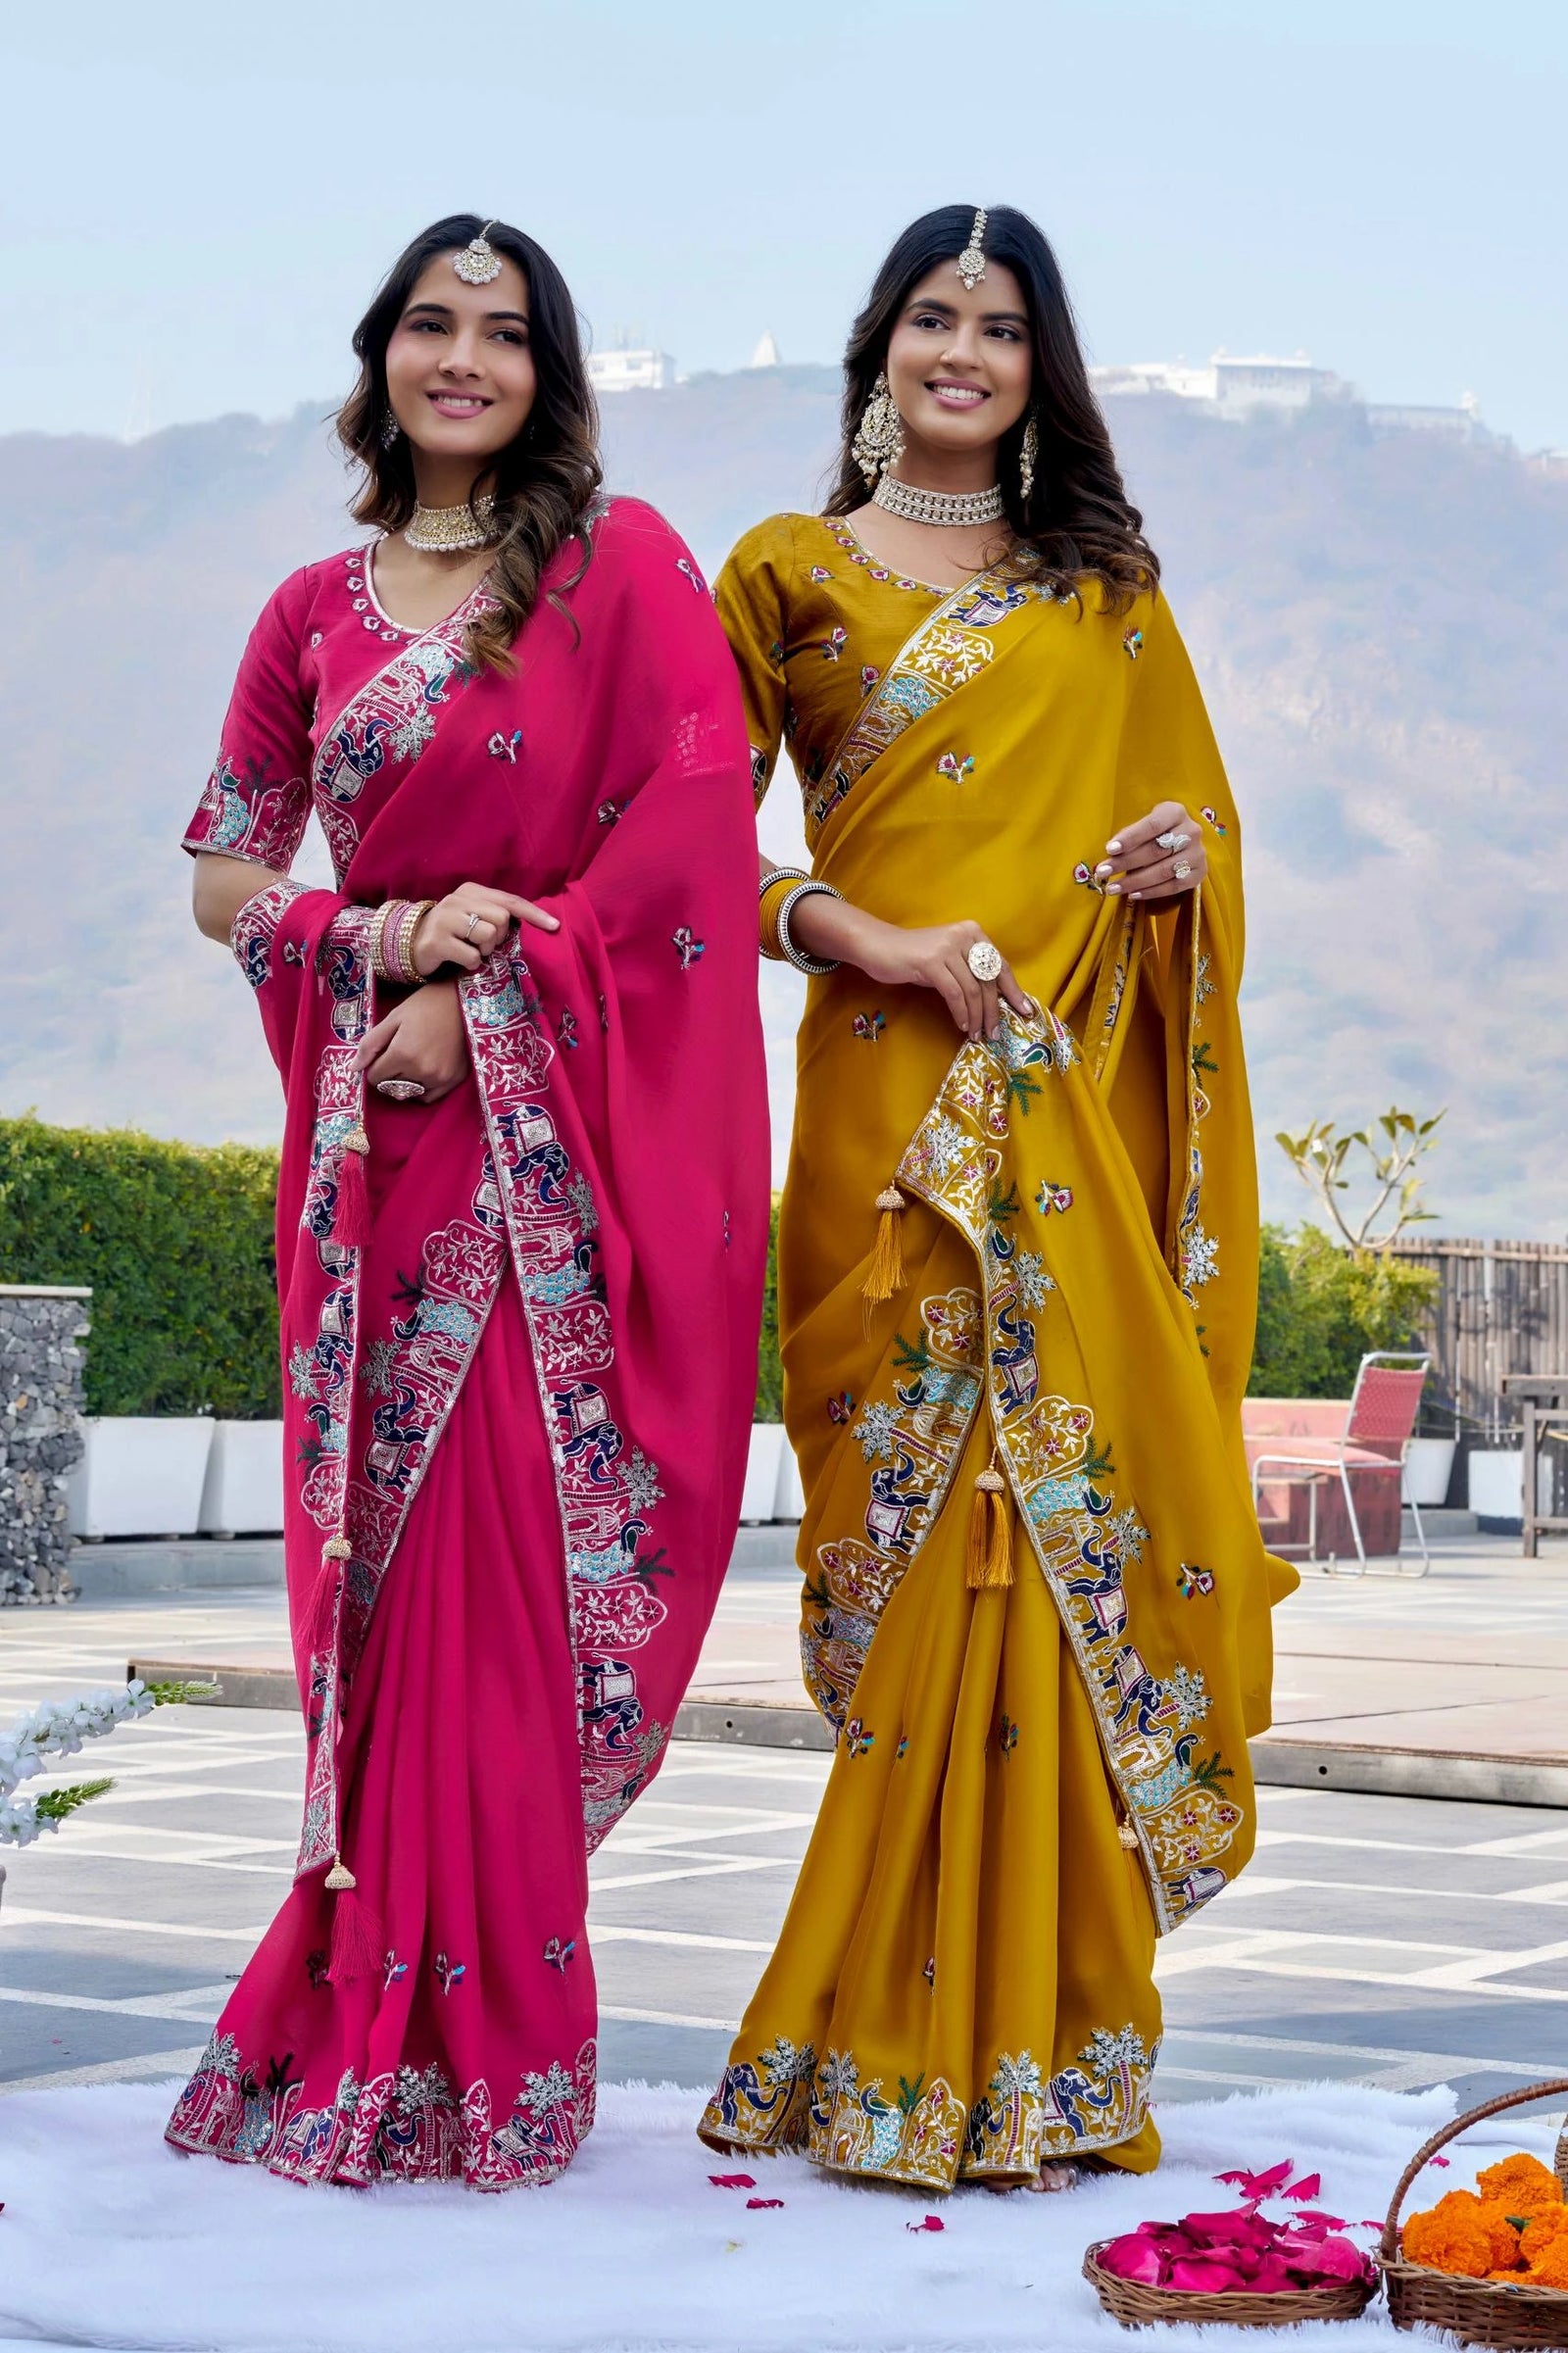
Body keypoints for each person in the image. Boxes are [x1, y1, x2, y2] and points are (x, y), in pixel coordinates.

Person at [168, 215, 767, 2188]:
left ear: (545, 374)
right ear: (382, 352)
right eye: (432, 322)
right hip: (371, 1157)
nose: (461, 358)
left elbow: (685, 845)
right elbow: (227, 877)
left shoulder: (621, 570)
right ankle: (357, 2014)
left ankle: (499, 2044)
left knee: (495, 1594)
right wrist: (394, 943)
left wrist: (490, 996)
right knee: (384, 1589)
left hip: (544, 1167)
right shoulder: (304, 612)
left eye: (502, 334)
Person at [699, 204, 1294, 2192]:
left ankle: (1045, 2058)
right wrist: (868, 934)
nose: (961, 350)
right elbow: (690, 863)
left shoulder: (1102, 594)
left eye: (1001, 327)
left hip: (1066, 1136)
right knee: (910, 1580)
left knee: (1045, 1573)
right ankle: (863, 2044)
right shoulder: (779, 574)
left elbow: (1194, 823)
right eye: (931, 316)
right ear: (877, 345)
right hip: (884, 1128)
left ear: (1041, 369)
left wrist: (1168, 862)